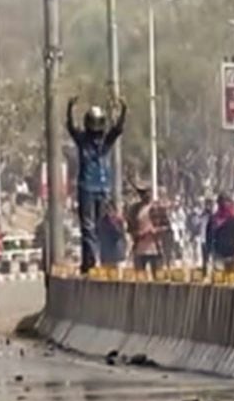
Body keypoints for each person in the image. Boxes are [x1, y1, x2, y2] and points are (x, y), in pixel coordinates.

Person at [66, 95, 127, 274]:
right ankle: (89, 263)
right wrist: (70, 109)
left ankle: (105, 260)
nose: (95, 127)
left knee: (102, 226)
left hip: (102, 189)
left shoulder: (105, 143)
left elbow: (118, 129)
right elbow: (71, 127)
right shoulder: (82, 140)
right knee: (88, 227)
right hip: (86, 187)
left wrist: (124, 110)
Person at [208, 195, 234, 272]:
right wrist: (210, 248)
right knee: (220, 276)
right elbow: (210, 234)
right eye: (220, 202)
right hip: (220, 251)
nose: (223, 204)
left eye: (225, 202)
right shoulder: (215, 217)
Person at [128, 186, 163, 274]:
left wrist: (155, 230)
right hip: (139, 248)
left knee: (157, 276)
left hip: (154, 248)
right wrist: (138, 234)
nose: (146, 195)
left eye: (148, 193)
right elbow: (130, 227)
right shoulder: (134, 209)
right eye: (143, 193)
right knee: (139, 276)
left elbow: (166, 226)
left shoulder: (157, 208)